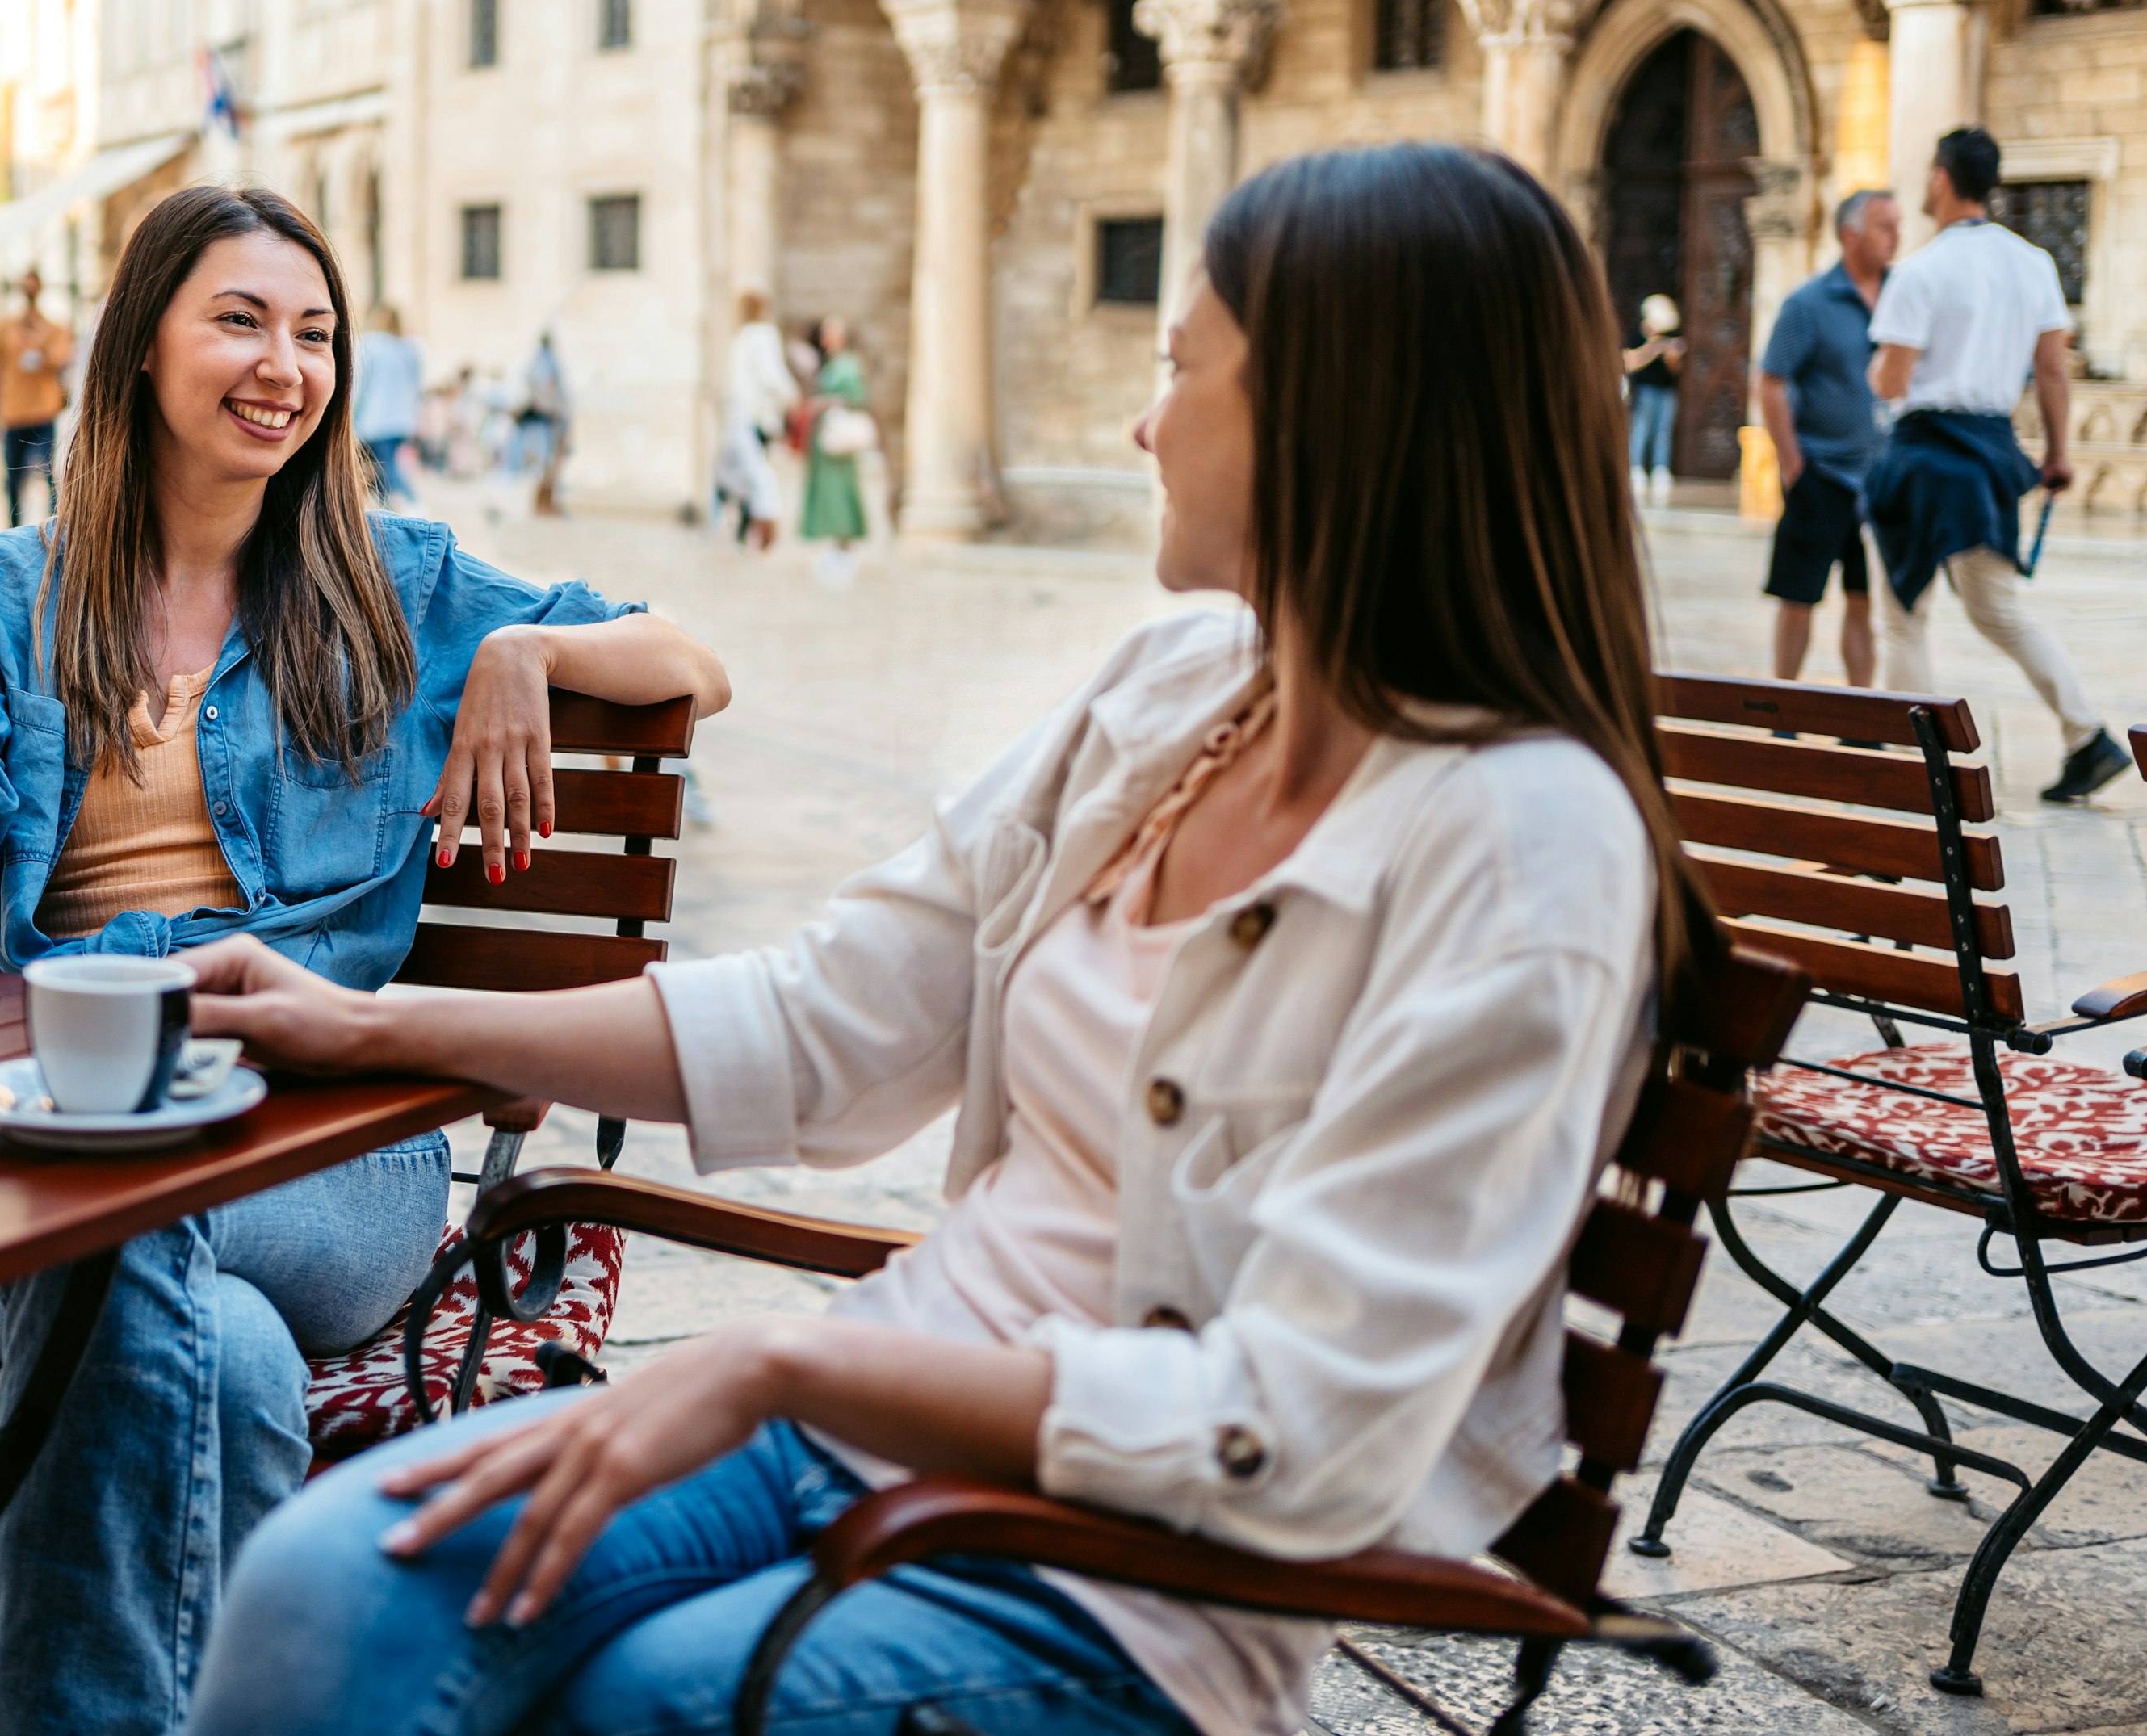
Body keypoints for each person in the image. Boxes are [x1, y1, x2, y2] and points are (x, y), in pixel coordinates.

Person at [176, 142, 1700, 1736]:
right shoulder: (1178, 690)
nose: (1143, 420)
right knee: (325, 1583)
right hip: (872, 1418)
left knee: (646, 1702)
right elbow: (829, 1019)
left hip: (1136, 1585)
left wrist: (783, 1367)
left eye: (1182, 367)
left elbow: (1300, 1427)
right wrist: (370, 1028)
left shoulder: (1524, 842)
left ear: (1340, 416)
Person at [0, 184, 730, 1736]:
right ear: (142, 348)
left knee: (109, 1240)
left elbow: (688, 658)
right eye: (242, 321)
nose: (286, 365)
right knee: (219, 1355)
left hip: (328, 1136)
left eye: (315, 332)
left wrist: (532, 650)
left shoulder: (396, 581)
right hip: (67, 1120)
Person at [1867, 125, 2132, 804]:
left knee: (1903, 616)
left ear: (1940, 179)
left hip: (1925, 455)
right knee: (1999, 611)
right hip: (1990, 454)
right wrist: (2061, 453)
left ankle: (1915, 769)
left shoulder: (1921, 270)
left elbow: (1892, 383)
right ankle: (2086, 735)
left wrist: (1873, 370)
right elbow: (2052, 368)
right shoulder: (2034, 264)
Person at [1756, 190, 1896, 685]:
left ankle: (1862, 722)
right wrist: (1793, 463)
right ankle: (1783, 712)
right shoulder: (1808, 303)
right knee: (1798, 600)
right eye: (1884, 227)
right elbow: (1772, 380)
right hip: (1821, 475)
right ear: (1849, 234)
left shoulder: (1903, 297)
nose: (1895, 237)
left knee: (1866, 604)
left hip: (1880, 484)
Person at [0, 268, 74, 527]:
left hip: (43, 411)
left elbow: (61, 358)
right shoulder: (5, 329)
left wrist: (38, 347)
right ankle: (13, 528)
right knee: (13, 478)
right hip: (14, 411)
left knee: (49, 476)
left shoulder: (52, 328)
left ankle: (52, 527)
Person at [714, 291, 791, 552]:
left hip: (738, 412)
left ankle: (742, 528)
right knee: (757, 470)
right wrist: (791, 396)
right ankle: (764, 526)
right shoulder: (763, 335)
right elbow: (771, 376)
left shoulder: (739, 339)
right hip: (757, 414)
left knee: (741, 470)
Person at [798, 314, 868, 574]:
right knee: (827, 493)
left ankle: (844, 545)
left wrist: (823, 404)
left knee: (839, 491)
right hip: (824, 438)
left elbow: (857, 397)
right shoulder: (830, 363)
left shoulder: (848, 364)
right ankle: (835, 546)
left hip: (837, 438)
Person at [353, 303, 424, 507]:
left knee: (385, 467)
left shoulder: (369, 344)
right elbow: (416, 386)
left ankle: (409, 504)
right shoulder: (410, 349)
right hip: (403, 420)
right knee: (388, 465)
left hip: (375, 420)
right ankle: (393, 506)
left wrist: (349, 416)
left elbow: (358, 385)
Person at [1621, 293, 1684, 502]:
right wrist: (1652, 348)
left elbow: (1676, 369)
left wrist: (1670, 356)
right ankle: (1636, 469)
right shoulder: (1638, 336)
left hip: (1666, 390)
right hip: (1645, 390)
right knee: (1641, 430)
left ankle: (1660, 470)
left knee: (1663, 432)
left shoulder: (1671, 335)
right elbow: (1629, 362)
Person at [517, 331, 569, 517]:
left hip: (550, 422)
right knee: (542, 466)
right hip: (543, 423)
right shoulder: (542, 366)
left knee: (551, 466)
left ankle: (545, 504)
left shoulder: (546, 364)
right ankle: (540, 505)